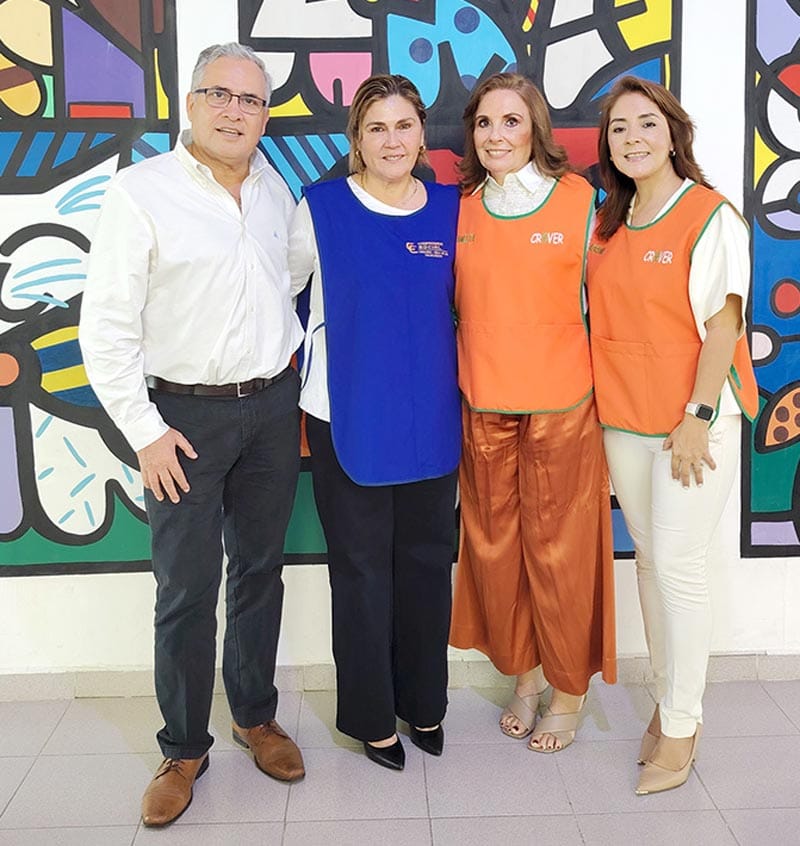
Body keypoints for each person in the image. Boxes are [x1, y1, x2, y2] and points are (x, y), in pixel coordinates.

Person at [79, 43, 305, 827]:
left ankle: (255, 717)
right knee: (185, 588)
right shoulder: (141, 193)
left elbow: (288, 278)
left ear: (265, 115)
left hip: (272, 409)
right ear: (191, 103)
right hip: (182, 421)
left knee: (260, 572)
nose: (236, 111)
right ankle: (182, 748)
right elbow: (105, 326)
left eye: (251, 100)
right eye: (221, 94)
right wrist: (145, 432)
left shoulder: (276, 190)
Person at [587, 75, 758, 794]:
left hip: (691, 421)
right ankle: (667, 701)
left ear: (674, 134)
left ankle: (683, 724)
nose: (633, 138)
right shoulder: (610, 221)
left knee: (681, 568)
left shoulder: (709, 215)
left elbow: (724, 325)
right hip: (624, 419)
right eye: (619, 128)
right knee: (652, 564)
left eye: (647, 124)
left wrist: (699, 415)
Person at [288, 74, 461, 771]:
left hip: (431, 418)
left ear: (422, 134)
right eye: (376, 128)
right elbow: (281, 296)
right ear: (356, 141)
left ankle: (423, 703)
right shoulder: (320, 208)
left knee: (426, 566)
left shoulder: (451, 210)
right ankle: (370, 715)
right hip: (346, 415)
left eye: (403, 126)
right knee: (360, 573)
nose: (392, 140)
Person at [449, 72, 616, 753]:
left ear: (536, 129)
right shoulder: (459, 208)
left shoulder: (581, 201)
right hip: (483, 404)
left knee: (560, 554)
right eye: (484, 123)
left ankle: (568, 690)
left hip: (563, 407)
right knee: (496, 554)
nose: (496, 135)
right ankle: (526, 675)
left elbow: (613, 307)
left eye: (511, 121)